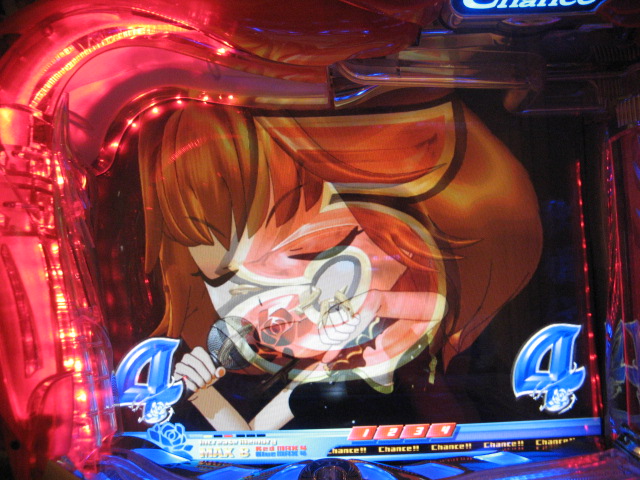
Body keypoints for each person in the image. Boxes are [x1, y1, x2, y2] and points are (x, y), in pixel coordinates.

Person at [138, 91, 542, 430]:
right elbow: (252, 442)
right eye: (226, 280)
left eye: (306, 255)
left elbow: (430, 317)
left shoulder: (421, 335)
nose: (268, 307)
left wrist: (378, 318)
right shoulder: (316, 372)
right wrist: (204, 394)